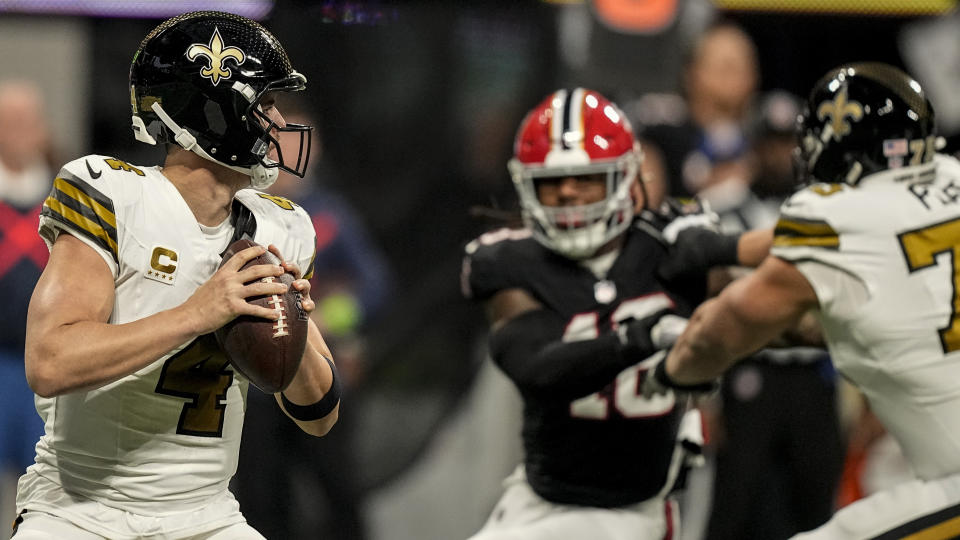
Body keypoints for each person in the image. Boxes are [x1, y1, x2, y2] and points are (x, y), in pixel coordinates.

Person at [13, 11, 341, 540]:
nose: (278, 122)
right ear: (214, 111)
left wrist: (294, 324)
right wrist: (197, 314)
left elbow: (319, 416)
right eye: (265, 103)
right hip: (80, 510)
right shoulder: (115, 195)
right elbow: (50, 361)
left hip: (207, 516)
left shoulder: (282, 227)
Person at [642, 63, 960, 539]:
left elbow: (725, 330)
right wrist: (721, 249)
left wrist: (668, 371)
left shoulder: (833, 219)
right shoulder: (951, 178)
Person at [460, 87, 770, 540]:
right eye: (552, 182)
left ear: (624, 178)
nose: (567, 194)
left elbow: (760, 290)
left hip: (637, 507)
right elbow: (538, 368)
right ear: (526, 184)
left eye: (586, 178)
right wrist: (644, 337)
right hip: (542, 498)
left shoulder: (671, 247)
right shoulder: (511, 265)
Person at [234, 101, 393, 540]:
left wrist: (325, 321)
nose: (281, 152)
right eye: (272, 141)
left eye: (292, 141)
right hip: (254, 383)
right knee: (261, 496)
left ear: (314, 148)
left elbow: (376, 285)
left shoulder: (329, 216)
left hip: (318, 367)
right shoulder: (240, 213)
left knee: (338, 488)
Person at [697, 91, 844, 540]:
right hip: (748, 370)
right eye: (771, 141)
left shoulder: (829, 209)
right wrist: (704, 394)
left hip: (812, 374)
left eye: (788, 142)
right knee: (733, 501)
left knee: (819, 502)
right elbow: (698, 297)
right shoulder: (720, 207)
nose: (780, 153)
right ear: (753, 143)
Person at [0, 80, 53, 529]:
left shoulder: (67, 197)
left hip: (50, 369)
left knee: (43, 494)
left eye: (26, 121)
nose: (18, 131)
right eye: (7, 122)